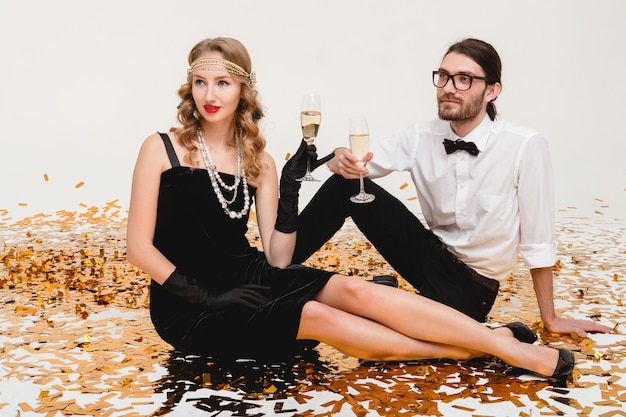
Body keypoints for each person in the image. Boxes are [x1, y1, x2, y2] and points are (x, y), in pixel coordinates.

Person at [126, 36, 576, 380]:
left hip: (251, 274)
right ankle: (499, 347)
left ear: (243, 89)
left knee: (357, 292)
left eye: (223, 82)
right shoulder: (160, 147)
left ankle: (488, 342)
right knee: (320, 315)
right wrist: (208, 296)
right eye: (201, 82)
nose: (211, 93)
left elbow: (280, 259)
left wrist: (288, 185)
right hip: (189, 302)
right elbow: (139, 249)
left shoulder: (257, 159)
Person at [292, 38, 613, 338]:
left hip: (472, 287)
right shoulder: (421, 135)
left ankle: (483, 332)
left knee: (381, 338)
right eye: (443, 77)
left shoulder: (525, 145)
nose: (449, 88)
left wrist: (551, 319)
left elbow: (537, 241)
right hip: (428, 256)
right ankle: (267, 272)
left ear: (492, 90)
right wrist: (339, 159)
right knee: (344, 185)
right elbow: (357, 162)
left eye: (464, 79)